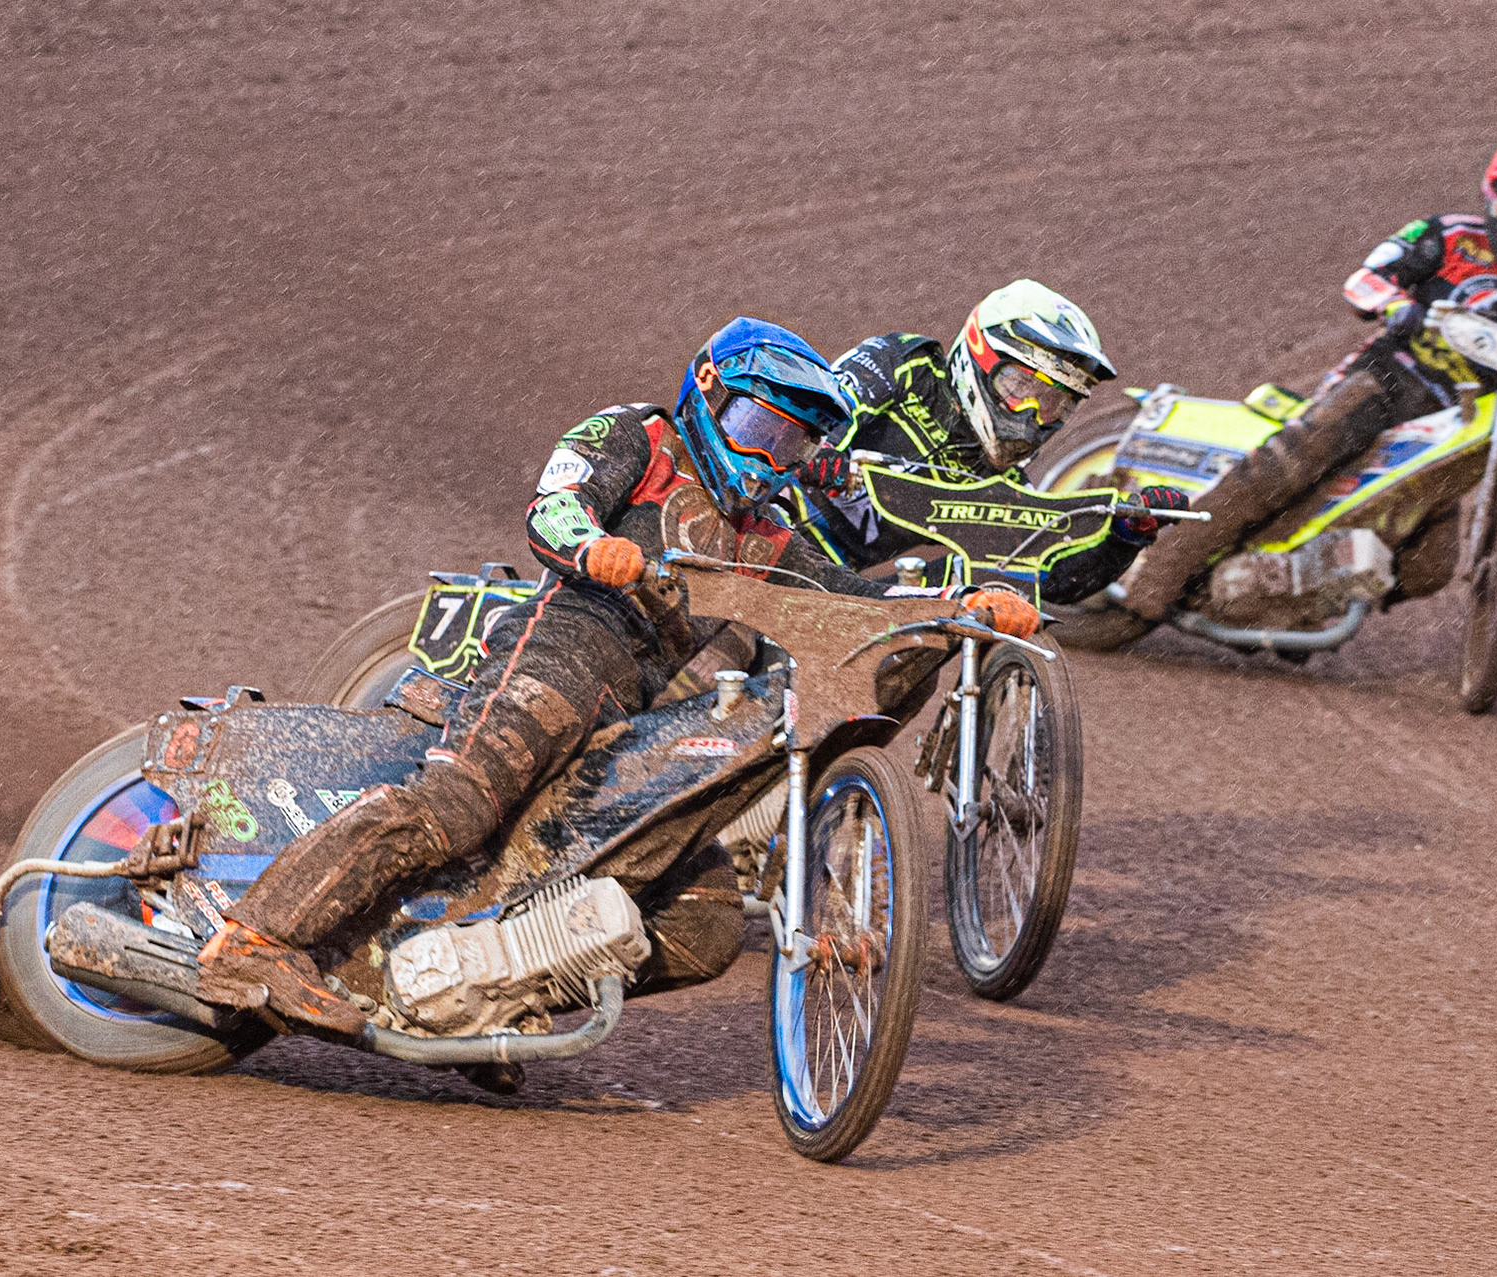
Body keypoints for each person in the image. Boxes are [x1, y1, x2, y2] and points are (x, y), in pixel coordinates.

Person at [186, 317, 1041, 1037]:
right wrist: (595, 546)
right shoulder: (637, 436)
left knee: (702, 919)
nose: (773, 457)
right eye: (760, 428)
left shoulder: (768, 531)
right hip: (565, 647)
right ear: (708, 392)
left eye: (792, 443)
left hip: (645, 709)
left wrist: (963, 607)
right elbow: (554, 504)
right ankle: (255, 937)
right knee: (460, 803)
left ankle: (491, 995)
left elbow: (852, 604)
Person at [1119, 131, 1497, 620]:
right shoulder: (1446, 237)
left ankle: (1298, 598)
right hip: (1391, 380)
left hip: (1461, 429)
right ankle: (1155, 579)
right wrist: (1397, 305)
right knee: (1290, 462)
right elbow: (1366, 279)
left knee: (1429, 570)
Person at [792, 280, 1191, 604]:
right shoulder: (903, 365)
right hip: (757, 523)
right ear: (980, 358)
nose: (1033, 414)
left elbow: (1051, 579)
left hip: (835, 583)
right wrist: (818, 450)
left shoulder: (1003, 484)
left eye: (1054, 403)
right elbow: (810, 409)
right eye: (1022, 386)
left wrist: (1126, 535)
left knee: (981, 591)